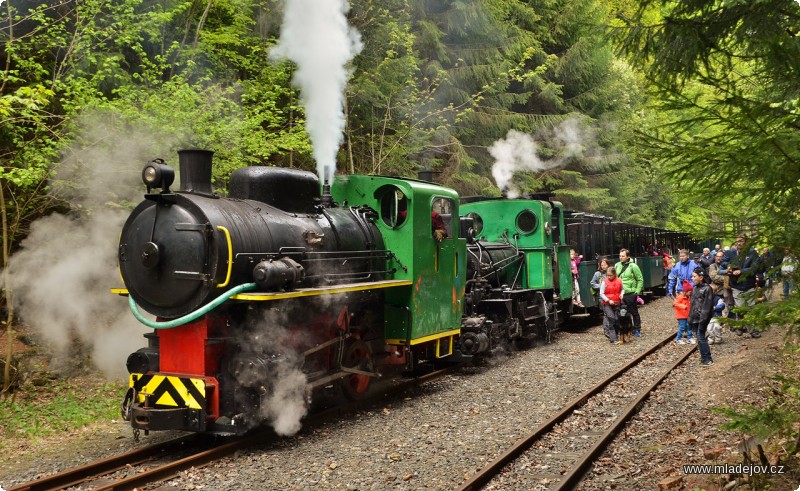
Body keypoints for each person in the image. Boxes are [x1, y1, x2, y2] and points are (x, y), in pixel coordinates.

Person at [721, 234, 762, 337]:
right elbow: (723, 261)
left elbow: (755, 267)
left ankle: (752, 330)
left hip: (749, 285)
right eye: (737, 241)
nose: (739, 243)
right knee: (740, 308)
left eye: (741, 241)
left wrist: (741, 271)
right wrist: (729, 266)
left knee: (751, 308)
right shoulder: (731, 252)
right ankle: (740, 326)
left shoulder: (753, 253)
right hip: (736, 285)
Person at [688, 267, 715, 366]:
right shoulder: (695, 288)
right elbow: (692, 305)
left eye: (694, 276)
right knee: (699, 338)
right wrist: (690, 319)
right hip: (695, 318)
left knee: (701, 337)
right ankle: (704, 358)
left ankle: (708, 358)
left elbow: (707, 306)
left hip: (701, 319)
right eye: (692, 276)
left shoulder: (707, 289)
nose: (692, 278)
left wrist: (703, 320)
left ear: (701, 277)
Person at [614, 249, 644, 337]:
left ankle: (637, 329)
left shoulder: (633, 266)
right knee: (622, 313)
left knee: (634, 312)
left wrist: (637, 292)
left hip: (630, 293)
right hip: (620, 294)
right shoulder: (617, 265)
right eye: (620, 256)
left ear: (628, 257)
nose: (621, 258)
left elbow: (640, 279)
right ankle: (625, 330)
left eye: (623, 256)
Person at [599, 266, 624, 344]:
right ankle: (613, 339)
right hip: (607, 304)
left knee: (617, 320)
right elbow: (601, 293)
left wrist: (622, 294)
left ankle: (616, 336)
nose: (608, 277)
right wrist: (608, 300)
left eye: (610, 275)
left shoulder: (619, 281)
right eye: (607, 275)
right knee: (611, 319)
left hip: (617, 303)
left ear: (614, 274)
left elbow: (623, 289)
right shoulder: (604, 282)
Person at [673, 280, 694, 345]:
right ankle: (678, 339)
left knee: (689, 326)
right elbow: (675, 303)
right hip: (681, 315)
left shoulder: (688, 297)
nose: (691, 293)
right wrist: (683, 306)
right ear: (686, 291)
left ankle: (689, 338)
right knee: (682, 327)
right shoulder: (680, 297)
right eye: (690, 292)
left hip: (687, 315)